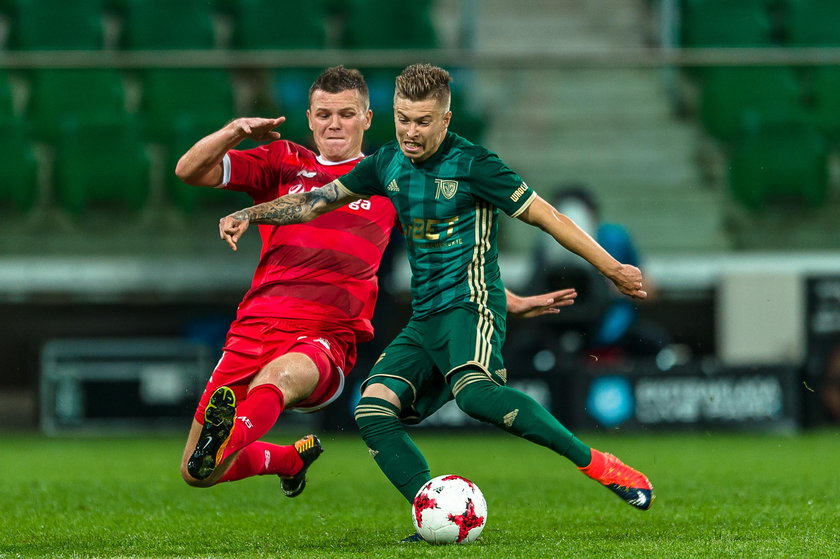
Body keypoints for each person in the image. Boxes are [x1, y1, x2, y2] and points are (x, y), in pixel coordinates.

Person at [217, 63, 653, 536]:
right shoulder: (387, 163)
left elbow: (548, 216)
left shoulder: (475, 165)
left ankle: (599, 465)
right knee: (373, 409)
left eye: (423, 122)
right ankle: (436, 515)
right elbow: (315, 200)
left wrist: (611, 268)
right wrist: (251, 212)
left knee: (476, 395)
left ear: (445, 121)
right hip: (425, 319)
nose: (410, 131)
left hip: (472, 309)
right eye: (403, 118)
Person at [176, 65, 577, 494]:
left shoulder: (392, 176)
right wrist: (235, 130)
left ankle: (229, 433)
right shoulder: (281, 162)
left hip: (324, 336)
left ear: (367, 119)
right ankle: (289, 459)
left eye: (346, 114)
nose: (334, 123)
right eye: (324, 113)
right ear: (309, 118)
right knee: (197, 472)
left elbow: (445, 259)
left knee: (279, 378)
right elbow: (189, 171)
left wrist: (503, 298)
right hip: (254, 325)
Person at [533, 184, 670, 359]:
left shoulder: (613, 238)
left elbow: (650, 290)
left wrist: (614, 288)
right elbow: (532, 292)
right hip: (559, 331)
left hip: (614, 330)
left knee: (657, 345)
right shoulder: (546, 246)